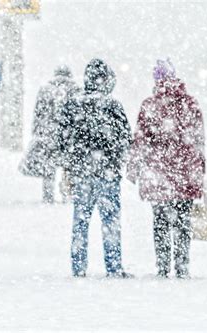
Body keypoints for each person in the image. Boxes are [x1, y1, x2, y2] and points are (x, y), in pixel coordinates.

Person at [127, 59, 205, 279]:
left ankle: (162, 267)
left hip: (159, 173)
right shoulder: (191, 104)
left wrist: (133, 168)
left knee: (160, 222)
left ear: (157, 80)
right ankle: (182, 266)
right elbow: (199, 141)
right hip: (185, 173)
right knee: (183, 222)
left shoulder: (150, 105)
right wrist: (199, 171)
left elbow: (140, 140)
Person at [58, 58, 133, 278]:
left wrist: (73, 160)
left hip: (82, 172)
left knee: (80, 221)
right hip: (107, 173)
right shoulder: (112, 105)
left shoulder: (72, 104)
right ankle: (113, 266)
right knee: (110, 222)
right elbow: (126, 138)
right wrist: (113, 153)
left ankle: (78, 266)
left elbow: (62, 139)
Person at [19, 66, 77, 203]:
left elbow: (38, 114)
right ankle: (67, 195)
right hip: (67, 135)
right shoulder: (75, 90)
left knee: (49, 167)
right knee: (68, 166)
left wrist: (36, 133)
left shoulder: (45, 90)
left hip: (48, 134)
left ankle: (48, 196)